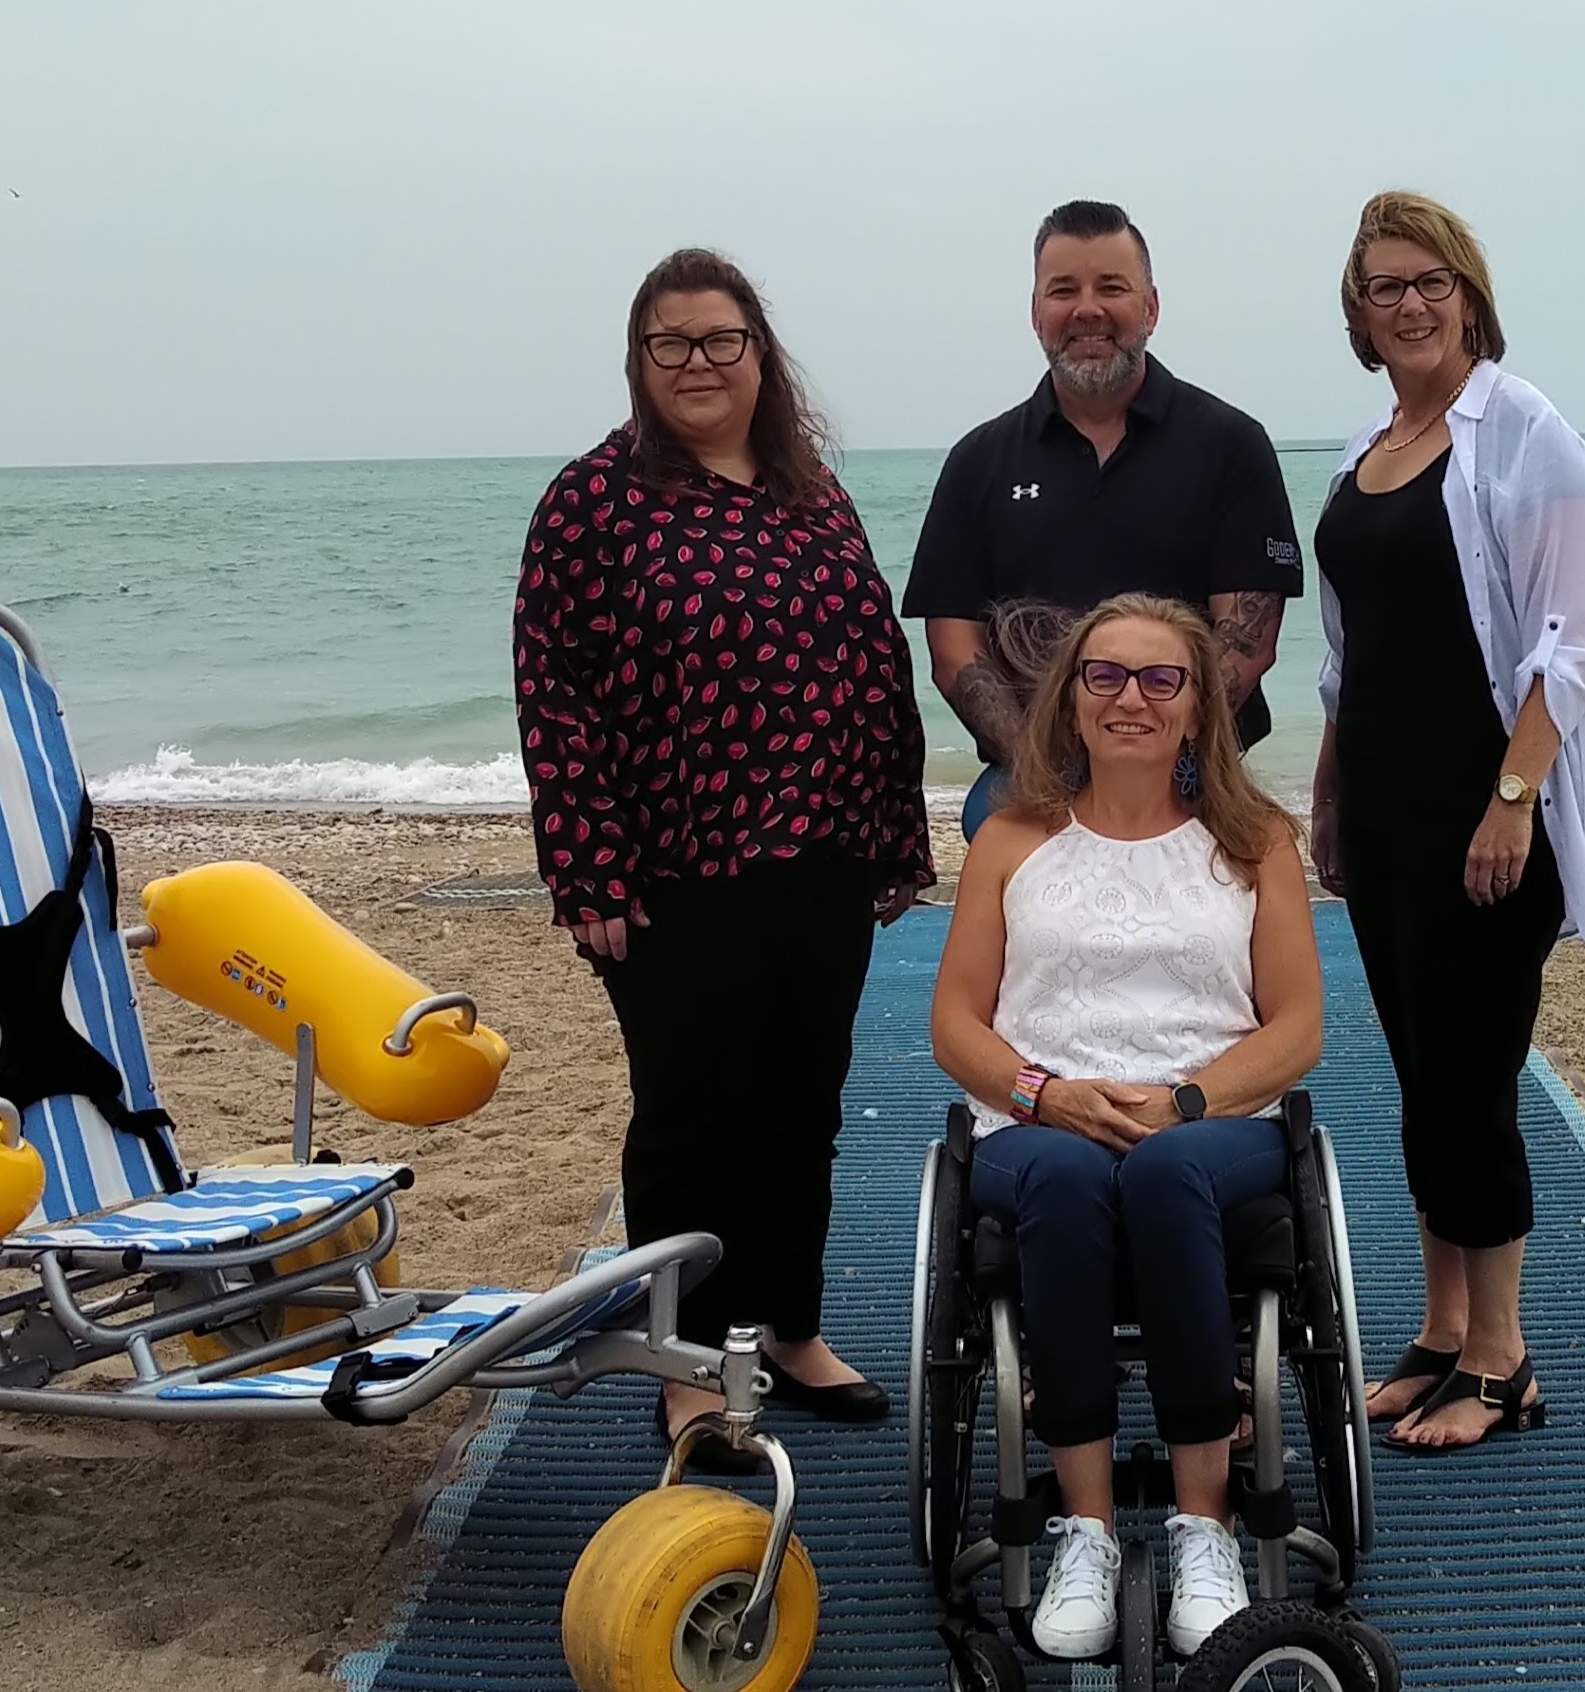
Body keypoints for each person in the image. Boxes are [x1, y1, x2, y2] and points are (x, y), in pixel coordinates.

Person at [513, 248, 936, 1470]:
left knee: (800, 1110)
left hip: (821, 859)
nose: (697, 365)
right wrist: (586, 871)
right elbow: (554, 697)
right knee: (693, 1121)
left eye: (719, 341)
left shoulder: (811, 489)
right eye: (670, 345)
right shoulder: (592, 501)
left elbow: (872, 662)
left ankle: (789, 1331)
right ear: (639, 364)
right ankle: (692, 1369)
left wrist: (894, 833)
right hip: (672, 873)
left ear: (761, 355)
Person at [1309, 191, 1585, 1453]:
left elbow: (1569, 652)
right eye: (1382, 285)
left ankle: (1505, 1360)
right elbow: (1352, 656)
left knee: (1473, 1080)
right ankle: (1442, 1330)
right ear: (1356, 308)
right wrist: (1329, 792)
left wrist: (1510, 802)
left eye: (1428, 282)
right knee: (1417, 1075)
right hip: (1389, 813)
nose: (1406, 304)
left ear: (1468, 293)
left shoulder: (1526, 437)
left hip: (1482, 811)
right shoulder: (1371, 444)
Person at [929, 593, 1323, 1659]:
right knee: (1061, 1175)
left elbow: (1295, 1029)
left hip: (1211, 1117)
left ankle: (1204, 1525)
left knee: (1163, 1173)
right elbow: (955, 1022)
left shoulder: (1253, 843)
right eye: (1104, 676)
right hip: (1037, 1119)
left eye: (1161, 679)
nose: (1131, 699)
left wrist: (1186, 1100)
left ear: (1199, 707)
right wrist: (1039, 1091)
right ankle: (1086, 1530)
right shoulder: (1011, 840)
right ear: (1071, 698)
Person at [902, 199, 1304, 841]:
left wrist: (1140, 759)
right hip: (1028, 771)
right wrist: (1044, 766)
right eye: (1064, 290)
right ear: (1037, 315)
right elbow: (954, 652)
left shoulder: (1231, 445)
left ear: (1150, 308)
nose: (1087, 309)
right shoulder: (978, 461)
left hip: (1191, 770)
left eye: (1111, 288)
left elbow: (1248, 642)